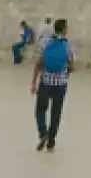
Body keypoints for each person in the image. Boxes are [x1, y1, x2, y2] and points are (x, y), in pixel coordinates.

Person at [31, 16, 75, 152]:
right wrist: (67, 71)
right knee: (56, 113)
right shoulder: (68, 45)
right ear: (64, 30)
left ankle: (43, 133)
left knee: (40, 110)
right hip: (61, 85)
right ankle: (51, 140)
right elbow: (72, 67)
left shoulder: (46, 42)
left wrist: (33, 82)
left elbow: (38, 64)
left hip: (45, 83)